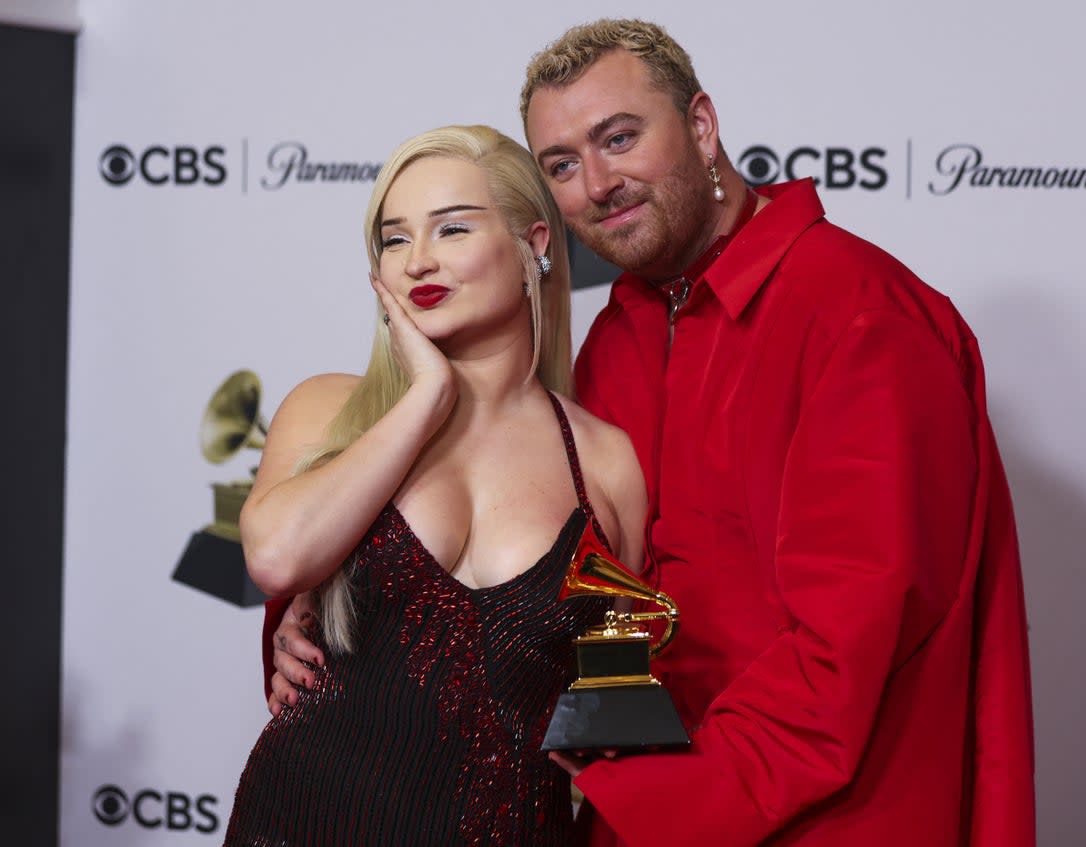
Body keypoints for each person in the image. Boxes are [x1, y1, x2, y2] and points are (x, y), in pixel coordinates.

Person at [268, 18, 1037, 847]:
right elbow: (543, 580)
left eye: (620, 138)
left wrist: (654, 788)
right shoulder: (619, 332)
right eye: (562, 165)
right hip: (634, 813)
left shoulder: (862, 316)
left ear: (702, 127)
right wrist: (332, 605)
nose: (598, 183)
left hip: (819, 818)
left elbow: (845, 652)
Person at [225, 124, 646, 847]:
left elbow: (616, 705)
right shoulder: (329, 409)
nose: (419, 259)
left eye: (452, 228)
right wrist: (426, 395)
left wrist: (603, 704)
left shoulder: (607, 463)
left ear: (534, 243)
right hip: (302, 819)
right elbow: (277, 560)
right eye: (393, 239)